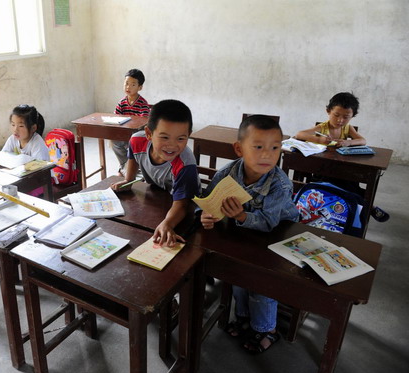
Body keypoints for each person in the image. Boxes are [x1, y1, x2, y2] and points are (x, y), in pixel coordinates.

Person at [200, 115, 299, 354]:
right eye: (258, 147)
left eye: (275, 148)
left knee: (262, 281)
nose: (267, 154)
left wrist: (242, 217)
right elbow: (208, 201)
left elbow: (268, 222)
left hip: (279, 235)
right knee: (237, 274)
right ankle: (244, 317)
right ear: (238, 149)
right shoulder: (227, 173)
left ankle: (267, 329)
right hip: (245, 232)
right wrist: (206, 215)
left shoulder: (279, 184)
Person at [111, 99, 200, 247]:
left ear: (188, 135)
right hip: (157, 194)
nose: (172, 145)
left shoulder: (186, 164)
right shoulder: (137, 140)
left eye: (181, 138)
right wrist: (128, 180)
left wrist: (167, 224)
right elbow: (133, 155)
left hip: (185, 205)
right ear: (149, 133)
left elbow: (182, 204)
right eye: (164, 137)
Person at [295, 92, 389, 222]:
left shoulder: (347, 128)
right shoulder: (323, 127)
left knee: (351, 183)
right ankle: (369, 206)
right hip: (323, 170)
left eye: (346, 117)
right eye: (336, 115)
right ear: (328, 111)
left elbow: (362, 140)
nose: (340, 120)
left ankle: (362, 207)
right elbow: (300, 134)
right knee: (347, 186)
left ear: (352, 116)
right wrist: (320, 139)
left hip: (343, 168)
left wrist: (348, 142)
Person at [111, 68, 151, 175]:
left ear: (140, 87)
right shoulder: (122, 102)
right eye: (126, 83)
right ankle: (125, 166)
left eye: (133, 84)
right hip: (124, 133)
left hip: (137, 134)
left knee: (133, 141)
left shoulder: (142, 103)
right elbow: (116, 118)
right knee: (113, 140)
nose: (128, 87)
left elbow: (143, 121)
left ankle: (129, 168)